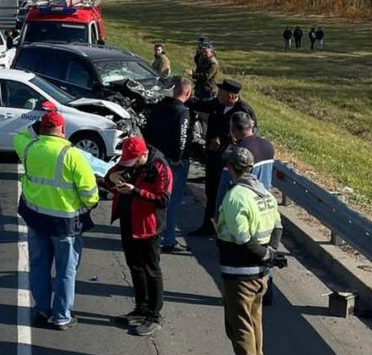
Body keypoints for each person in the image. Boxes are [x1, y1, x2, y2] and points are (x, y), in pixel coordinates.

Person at [13, 108, 100, 330]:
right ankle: (62, 316)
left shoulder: (30, 148)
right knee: (65, 271)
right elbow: (90, 193)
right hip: (65, 224)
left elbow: (18, 135)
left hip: (36, 219)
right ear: (62, 130)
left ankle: (42, 310)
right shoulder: (72, 155)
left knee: (39, 266)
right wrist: (86, 206)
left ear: (41, 129)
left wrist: (35, 124)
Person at [217, 145, 284, 355]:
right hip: (260, 275)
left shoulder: (236, 197)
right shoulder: (264, 193)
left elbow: (242, 239)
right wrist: (271, 254)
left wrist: (265, 254)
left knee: (239, 323)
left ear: (232, 169)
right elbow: (277, 227)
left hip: (240, 273)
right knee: (255, 320)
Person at [103, 135, 173, 336]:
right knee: (134, 266)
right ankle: (141, 308)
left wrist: (136, 191)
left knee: (151, 270)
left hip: (149, 227)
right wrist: (111, 180)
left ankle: (154, 315)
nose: (128, 165)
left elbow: (163, 200)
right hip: (128, 221)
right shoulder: (130, 161)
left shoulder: (160, 167)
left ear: (143, 155)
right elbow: (111, 176)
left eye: (132, 162)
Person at [189, 79, 257, 235]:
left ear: (231, 96)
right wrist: (185, 99)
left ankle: (226, 227)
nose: (217, 95)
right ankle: (208, 225)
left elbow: (249, 136)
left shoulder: (243, 111)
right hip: (213, 157)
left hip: (231, 163)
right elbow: (200, 104)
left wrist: (223, 139)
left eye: (221, 93)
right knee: (211, 191)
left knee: (227, 194)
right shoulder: (217, 104)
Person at [143, 77, 192, 253]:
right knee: (172, 201)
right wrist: (178, 156)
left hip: (156, 158)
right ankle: (168, 239)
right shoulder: (182, 112)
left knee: (154, 197)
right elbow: (182, 137)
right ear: (187, 93)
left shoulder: (158, 107)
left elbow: (147, 130)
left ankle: (151, 232)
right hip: (174, 162)